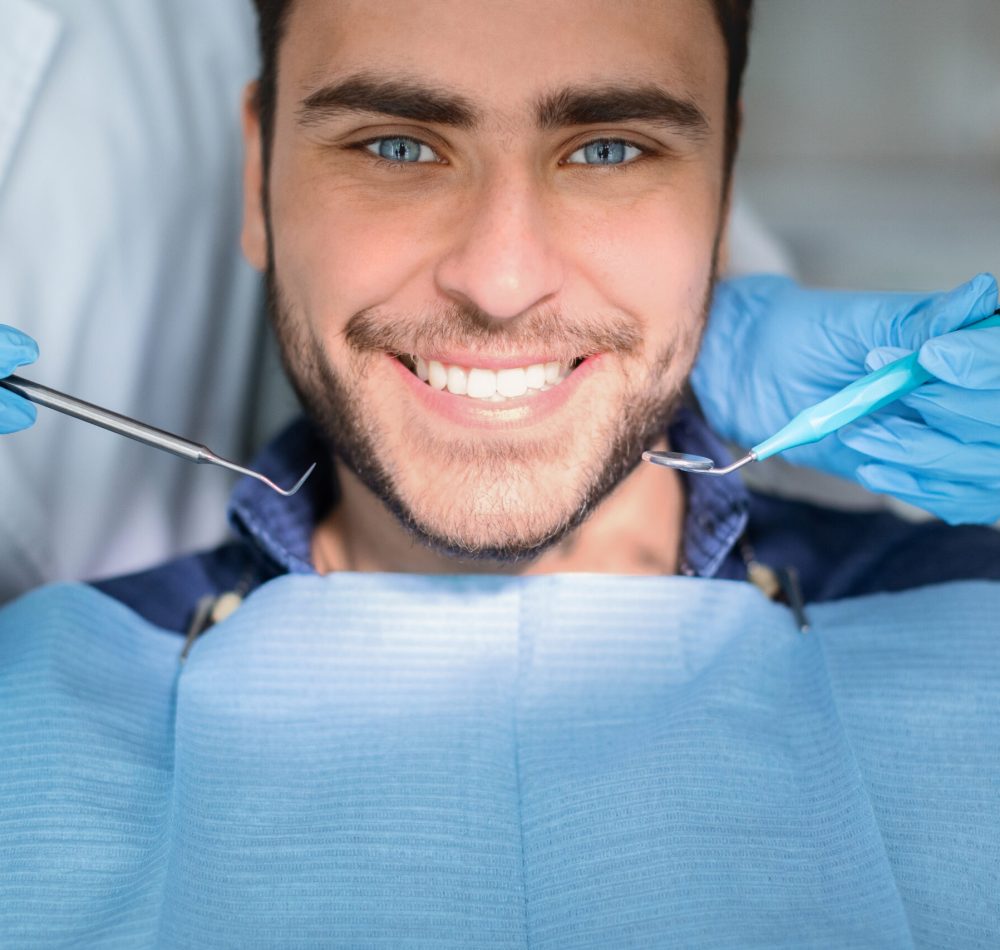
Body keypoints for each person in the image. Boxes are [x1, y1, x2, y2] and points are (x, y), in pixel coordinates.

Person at [1, 0, 999, 945]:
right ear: (259, 168)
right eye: (397, 144)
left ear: (724, 185)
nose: (500, 279)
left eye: (609, 148)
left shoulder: (967, 624)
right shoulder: (41, 698)